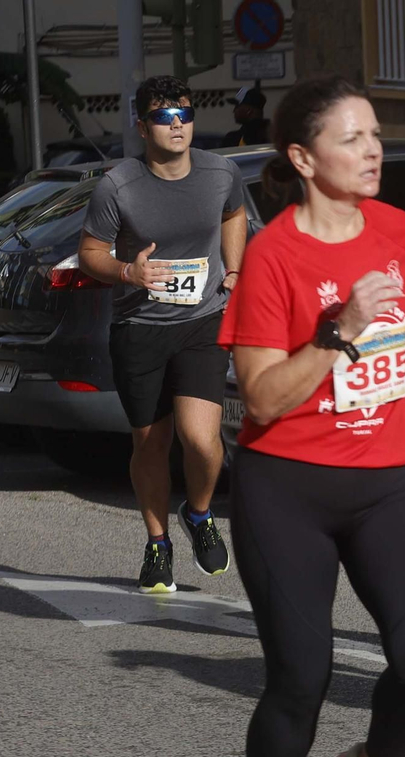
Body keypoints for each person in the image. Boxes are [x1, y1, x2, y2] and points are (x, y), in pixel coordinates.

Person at [219, 75, 405, 757]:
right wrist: (339, 332)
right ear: (302, 156)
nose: (373, 149)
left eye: (376, 134)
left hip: (385, 474)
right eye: (352, 138)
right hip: (286, 485)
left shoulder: (395, 225)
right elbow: (259, 396)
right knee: (302, 673)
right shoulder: (272, 256)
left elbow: (400, 298)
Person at [78, 75, 244, 593]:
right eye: (164, 117)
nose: (177, 125)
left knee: (201, 440)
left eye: (185, 114)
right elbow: (90, 252)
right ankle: (157, 543)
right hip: (139, 328)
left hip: (201, 321)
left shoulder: (221, 172)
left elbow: (234, 213)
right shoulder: (118, 185)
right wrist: (128, 272)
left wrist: (234, 272)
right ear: (142, 126)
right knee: (151, 443)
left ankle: (197, 513)